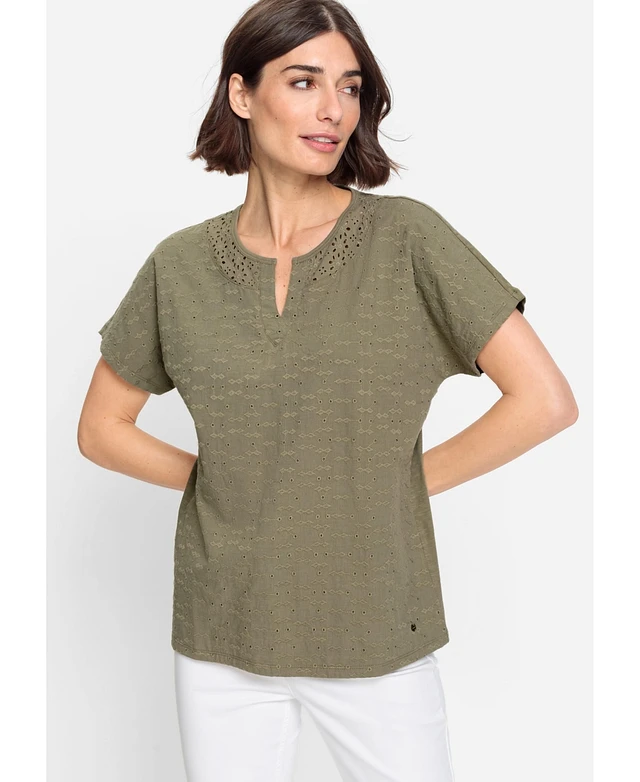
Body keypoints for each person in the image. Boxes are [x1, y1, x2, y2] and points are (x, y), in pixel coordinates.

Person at [77, 0, 579, 779]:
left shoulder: (407, 238)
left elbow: (544, 400)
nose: (333, 109)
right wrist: (226, 485)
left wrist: (394, 486)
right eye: (304, 81)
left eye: (349, 87)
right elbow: (102, 428)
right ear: (242, 94)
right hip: (223, 632)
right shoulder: (178, 266)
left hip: (374, 627)